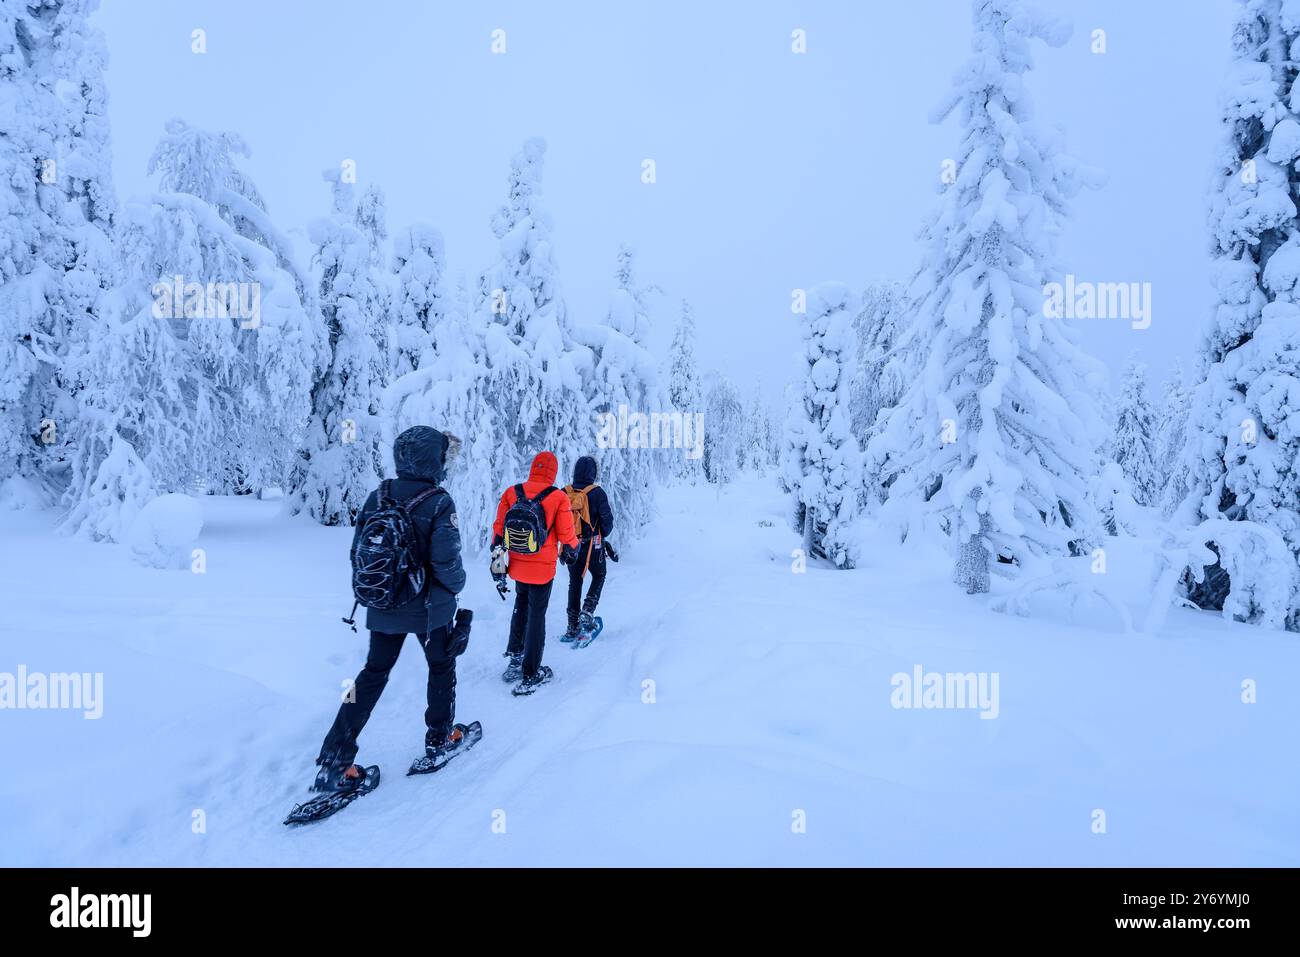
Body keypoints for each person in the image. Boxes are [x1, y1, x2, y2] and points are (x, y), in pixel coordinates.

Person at [313, 426, 473, 792]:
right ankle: (439, 738)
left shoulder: (378, 495)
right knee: (441, 665)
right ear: (435, 460)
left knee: (372, 674)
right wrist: (457, 587)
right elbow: (447, 563)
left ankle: (336, 759)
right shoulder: (438, 501)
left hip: (383, 603)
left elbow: (357, 553)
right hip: (430, 610)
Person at [492, 450, 579, 692]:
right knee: (537, 615)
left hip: (518, 565)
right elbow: (566, 535)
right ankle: (531, 672)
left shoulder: (513, 491)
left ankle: (514, 660)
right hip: (542, 569)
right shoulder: (558, 497)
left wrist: (497, 558)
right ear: (553, 471)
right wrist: (573, 549)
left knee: (520, 606)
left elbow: (499, 529)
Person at [561, 455, 616, 641]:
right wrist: (602, 533)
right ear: (594, 473)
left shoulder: (565, 491)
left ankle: (572, 624)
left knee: (575, 581)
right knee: (599, 575)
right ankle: (588, 610)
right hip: (594, 545)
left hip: (571, 545)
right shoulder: (597, 493)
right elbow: (607, 524)